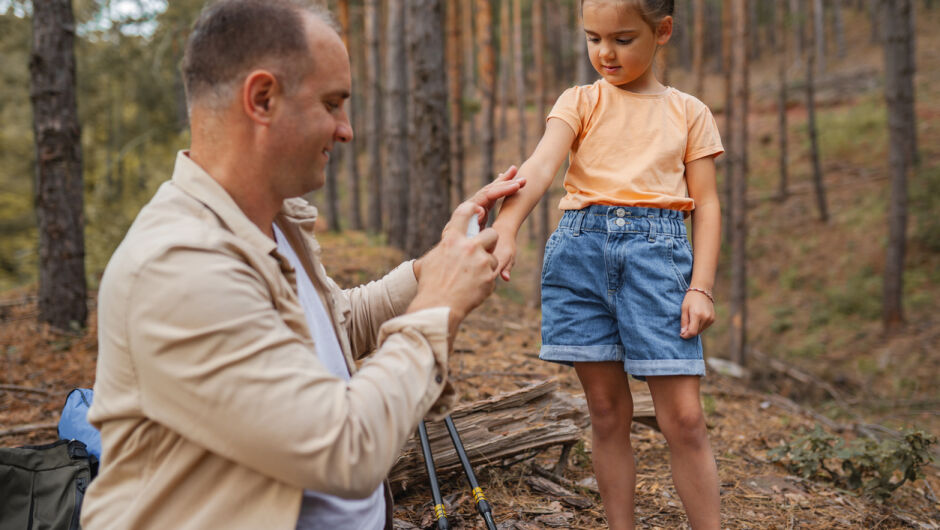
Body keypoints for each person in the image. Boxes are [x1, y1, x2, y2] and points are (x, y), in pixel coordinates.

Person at [80, 1, 525, 529]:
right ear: (262, 98)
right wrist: (439, 307)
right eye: (333, 104)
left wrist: (437, 266)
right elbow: (343, 448)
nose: (347, 130)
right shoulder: (177, 265)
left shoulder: (268, 223)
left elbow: (338, 324)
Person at [492, 0, 722, 528]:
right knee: (606, 411)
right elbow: (542, 164)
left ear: (661, 31)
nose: (605, 53)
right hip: (580, 255)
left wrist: (701, 287)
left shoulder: (688, 112)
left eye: (622, 38)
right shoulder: (579, 101)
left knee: (684, 419)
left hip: (658, 262)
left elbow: (707, 205)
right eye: (593, 38)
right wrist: (506, 226)